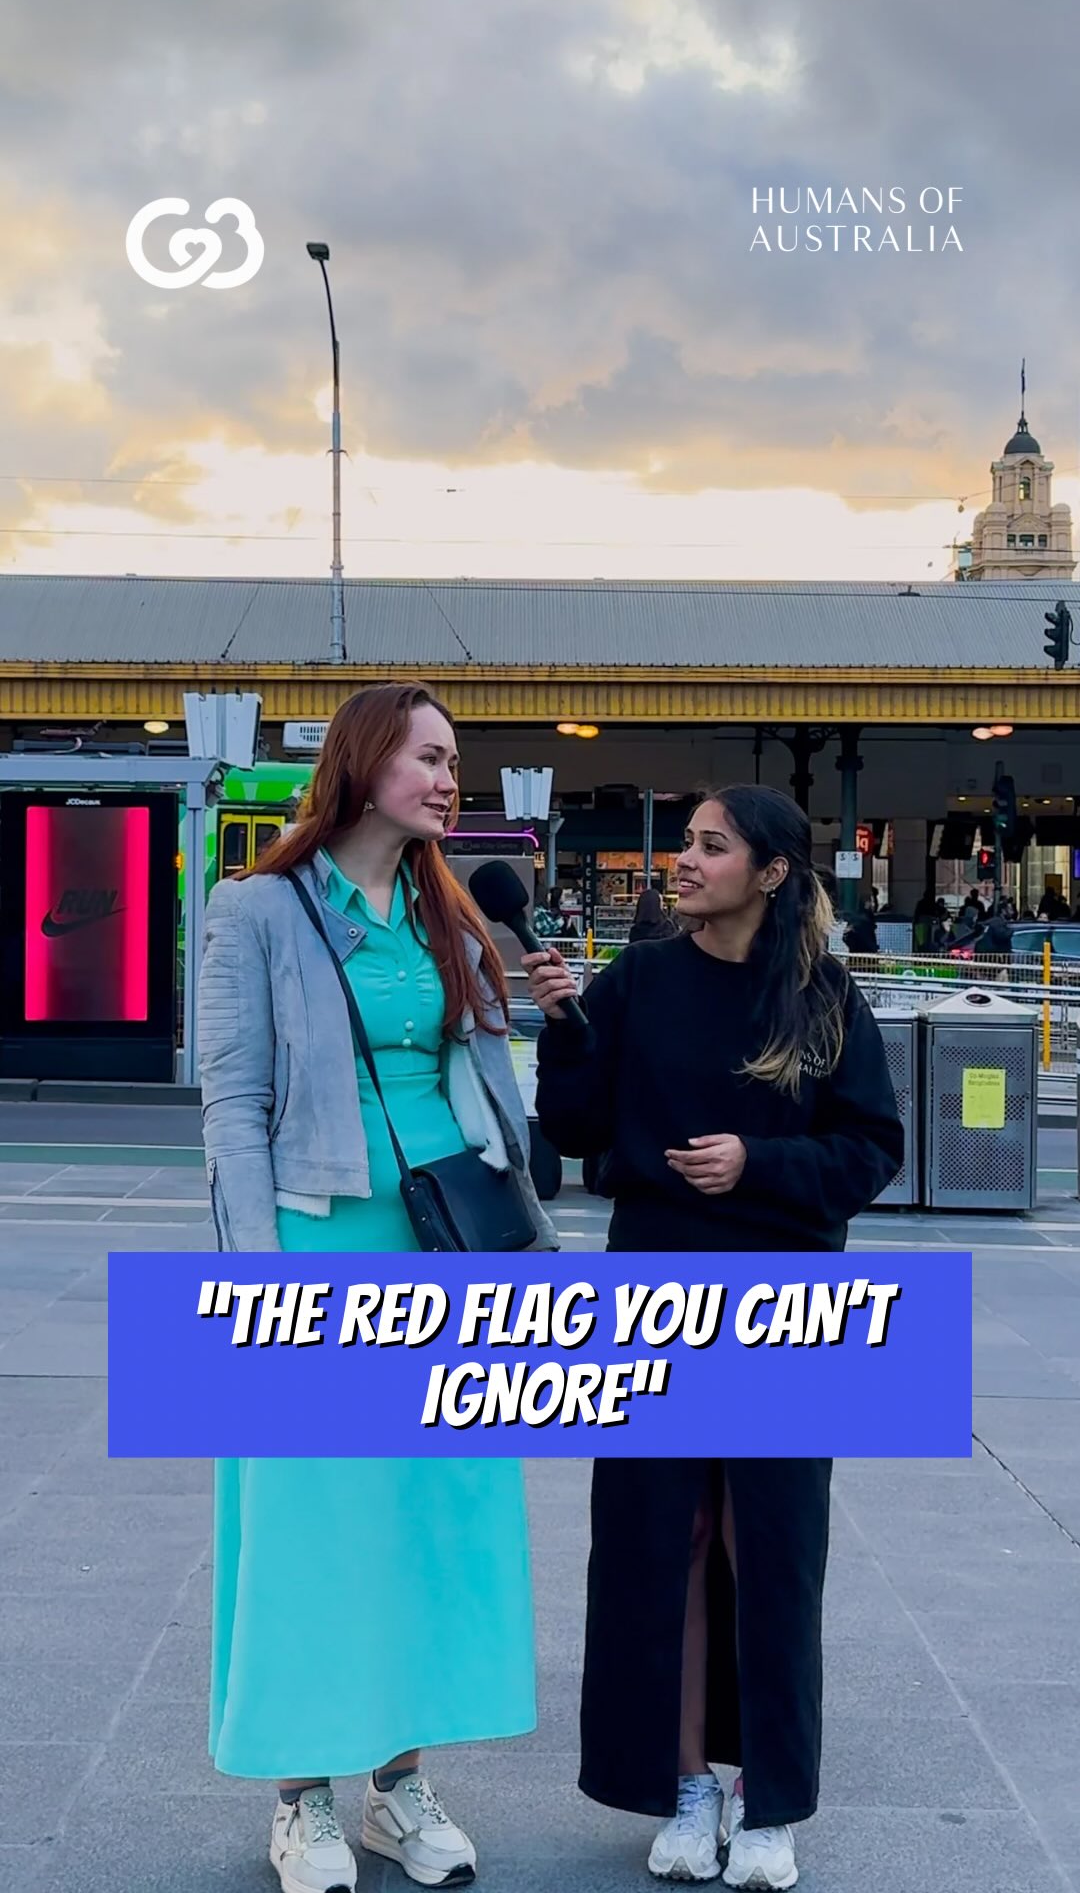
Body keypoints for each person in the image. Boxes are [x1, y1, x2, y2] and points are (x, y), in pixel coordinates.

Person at [198, 682, 557, 1893]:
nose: (453, 779)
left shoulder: (447, 913)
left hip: (443, 1257)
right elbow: (233, 1108)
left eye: (459, 761)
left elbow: (484, 1089)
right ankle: (302, 1800)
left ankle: (399, 1788)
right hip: (312, 1255)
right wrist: (256, 1287)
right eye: (432, 758)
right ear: (363, 765)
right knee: (313, 1524)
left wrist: (538, 1016)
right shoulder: (252, 911)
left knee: (425, 1520)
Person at [523, 785, 903, 1890]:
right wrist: (562, 1029)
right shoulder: (637, 978)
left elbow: (870, 1149)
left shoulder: (825, 999)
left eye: (709, 845)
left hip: (787, 1306)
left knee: (770, 1546)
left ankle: (768, 1802)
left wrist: (760, 1163)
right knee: (664, 1539)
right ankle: (685, 1785)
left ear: (771, 873)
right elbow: (582, 1130)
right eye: (685, 844)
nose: (682, 862)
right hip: (651, 1295)